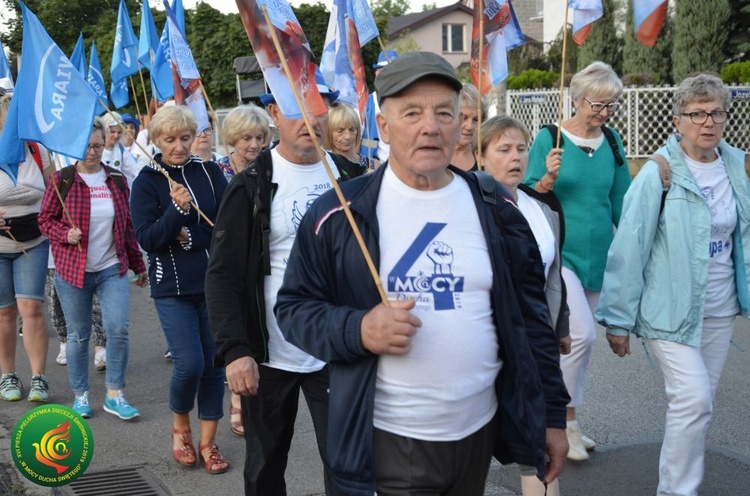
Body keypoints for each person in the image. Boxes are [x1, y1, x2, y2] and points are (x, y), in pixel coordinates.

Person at [274, 51, 569, 496]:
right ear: (384, 125)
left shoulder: (496, 205)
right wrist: (359, 328)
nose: (430, 126)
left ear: (461, 125)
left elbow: (531, 321)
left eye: (444, 113)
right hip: (390, 441)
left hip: (478, 434)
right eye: (412, 113)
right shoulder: (339, 214)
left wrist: (551, 415)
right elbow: (293, 310)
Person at [205, 77, 366, 495]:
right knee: (265, 466)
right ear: (274, 114)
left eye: (316, 108)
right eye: (295, 109)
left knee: (349, 463)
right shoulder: (251, 184)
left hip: (338, 350)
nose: (308, 119)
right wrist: (235, 351)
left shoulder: (352, 176)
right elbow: (222, 275)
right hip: (271, 354)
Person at [596, 74, 750, 496]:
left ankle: (677, 487)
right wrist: (617, 319)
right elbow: (629, 247)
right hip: (669, 312)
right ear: (677, 119)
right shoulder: (658, 173)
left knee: (697, 407)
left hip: (719, 309)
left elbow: (744, 239)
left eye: (717, 112)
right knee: (694, 400)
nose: (708, 121)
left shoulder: (736, 166)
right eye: (697, 113)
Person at [524, 60, 631, 461]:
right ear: (576, 98)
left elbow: (622, 200)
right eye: (596, 104)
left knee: (573, 346)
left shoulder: (614, 142)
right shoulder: (549, 138)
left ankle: (565, 418)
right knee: (582, 336)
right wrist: (547, 178)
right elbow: (527, 194)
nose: (603, 113)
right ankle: (561, 423)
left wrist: (638, 243)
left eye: (610, 105)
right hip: (561, 256)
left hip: (598, 258)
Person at [475, 115, 571, 496]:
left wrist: (559, 327)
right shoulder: (472, 208)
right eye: (503, 149)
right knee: (478, 445)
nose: (515, 157)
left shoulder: (542, 208)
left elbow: (552, 275)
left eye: (521, 148)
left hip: (536, 345)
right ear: (480, 158)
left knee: (539, 446)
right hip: (490, 349)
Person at [130, 105, 228, 474]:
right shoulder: (146, 181)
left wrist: (187, 235)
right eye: (170, 139)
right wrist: (174, 213)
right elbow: (149, 239)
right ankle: (180, 428)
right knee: (189, 364)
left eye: (185, 138)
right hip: (171, 288)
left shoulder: (209, 171)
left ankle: (209, 442)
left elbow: (224, 225)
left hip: (214, 283)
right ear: (156, 140)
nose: (179, 146)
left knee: (214, 366)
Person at [38, 117, 148, 418]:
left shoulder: (115, 179)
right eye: (86, 146)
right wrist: (65, 234)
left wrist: (139, 265)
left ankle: (115, 393)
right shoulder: (62, 180)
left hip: (111, 267)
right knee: (78, 335)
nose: (92, 152)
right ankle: (81, 395)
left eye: (98, 146)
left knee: (118, 329)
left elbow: (126, 226)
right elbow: (45, 220)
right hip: (72, 271)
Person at [0, 90, 53, 403]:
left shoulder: (37, 149)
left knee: (31, 308)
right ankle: (7, 374)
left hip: (33, 240)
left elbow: (54, 191)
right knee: (5, 313)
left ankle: (38, 378)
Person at [360, 49, 398, 168]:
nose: (389, 76)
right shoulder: (365, 104)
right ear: (377, 74)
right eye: (384, 71)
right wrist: (370, 167)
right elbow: (351, 149)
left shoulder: (411, 103)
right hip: (374, 172)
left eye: (394, 72)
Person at [217, 104, 271, 183]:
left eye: (259, 138)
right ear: (233, 137)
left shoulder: (270, 168)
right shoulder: (217, 170)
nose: (254, 145)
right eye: (247, 138)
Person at [102, 111, 141, 188]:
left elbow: (135, 170)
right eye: (112, 132)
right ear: (104, 131)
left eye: (119, 132)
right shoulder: (96, 149)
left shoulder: (120, 149)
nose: (116, 135)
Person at [327, 103, 372, 169]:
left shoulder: (373, 166)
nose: (348, 136)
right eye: (340, 131)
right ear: (329, 132)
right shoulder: (324, 167)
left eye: (352, 129)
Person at [452, 83, 484, 171]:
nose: (469, 127)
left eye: (476, 119)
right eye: (464, 118)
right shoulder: (433, 158)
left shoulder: (485, 160)